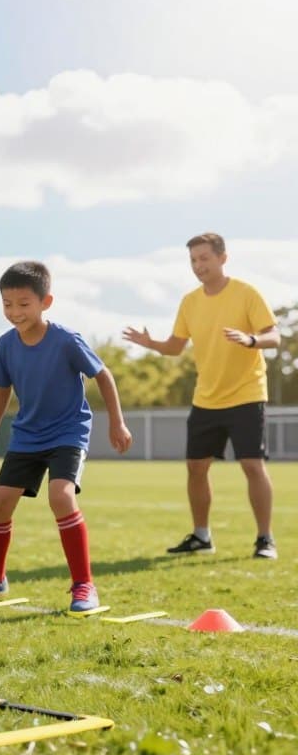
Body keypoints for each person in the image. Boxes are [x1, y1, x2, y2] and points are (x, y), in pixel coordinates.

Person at [0, 261, 131, 613]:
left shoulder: (66, 340)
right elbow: (1, 391)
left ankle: (84, 585)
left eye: (24, 304)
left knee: (61, 496)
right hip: (26, 436)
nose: (15, 312)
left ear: (45, 302)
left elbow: (103, 375)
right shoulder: (6, 345)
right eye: (8, 304)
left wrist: (117, 422)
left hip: (68, 431)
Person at [123, 232, 279, 560]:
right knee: (196, 468)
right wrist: (151, 344)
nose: (198, 266)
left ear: (223, 258)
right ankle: (201, 536)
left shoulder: (246, 293)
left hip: (247, 394)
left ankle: (265, 539)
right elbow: (176, 347)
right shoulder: (189, 302)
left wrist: (251, 340)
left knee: (252, 465)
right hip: (207, 398)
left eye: (204, 258)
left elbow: (274, 336)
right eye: (193, 260)